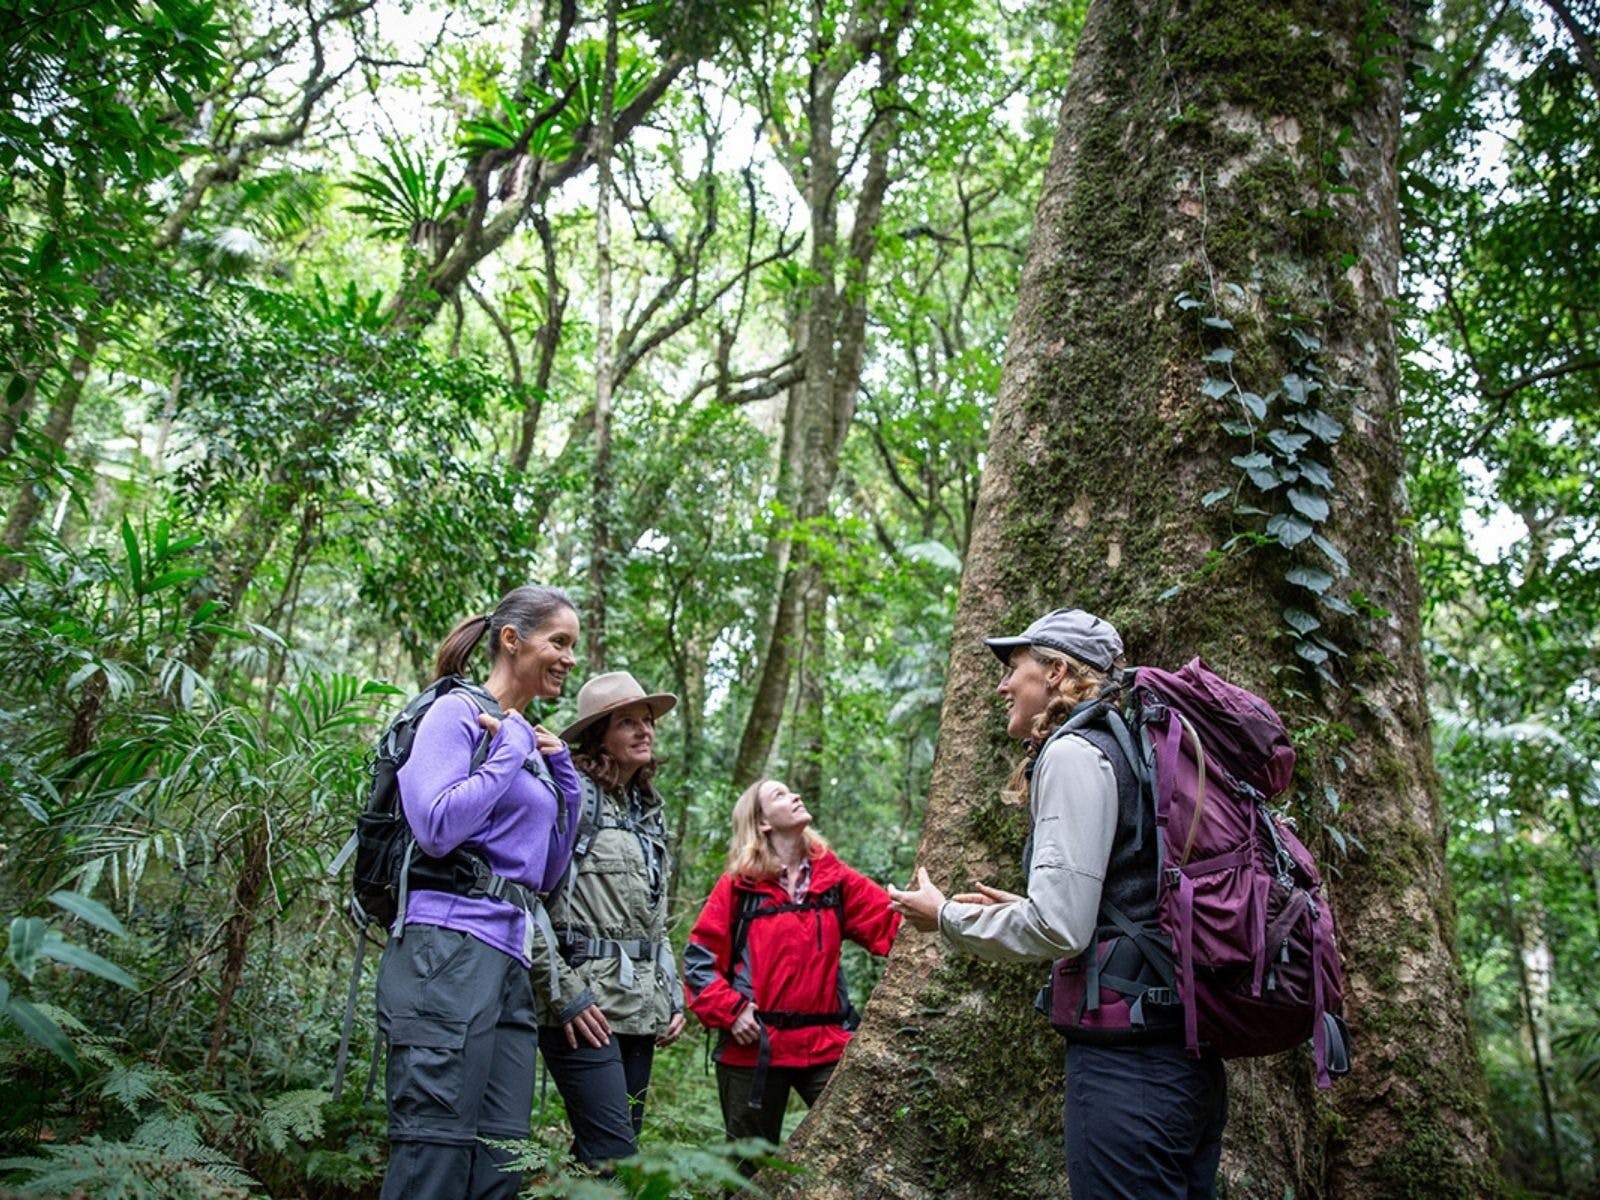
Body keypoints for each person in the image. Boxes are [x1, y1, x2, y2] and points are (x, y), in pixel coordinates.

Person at [887, 607, 1228, 1200]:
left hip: (1130, 1074)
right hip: (1185, 1063)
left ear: (1056, 672)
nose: (1000, 685)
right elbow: (1119, 897)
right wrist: (1028, 904)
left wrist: (944, 916)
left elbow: (1059, 928)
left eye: (1013, 666)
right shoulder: (1131, 750)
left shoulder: (1075, 754)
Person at [376, 585, 584, 1200]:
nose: (570, 657)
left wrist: (564, 782)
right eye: (559, 642)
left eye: (574, 645)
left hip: (511, 960)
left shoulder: (527, 741)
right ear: (512, 640)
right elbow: (436, 827)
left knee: (501, 1163)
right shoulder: (455, 713)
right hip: (445, 950)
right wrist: (509, 753)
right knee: (432, 1157)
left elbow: (543, 877)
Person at [684, 778, 901, 1162]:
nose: (795, 795)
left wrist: (950, 916)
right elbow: (700, 961)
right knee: (748, 1172)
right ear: (763, 822)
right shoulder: (738, 887)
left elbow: (892, 927)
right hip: (752, 1050)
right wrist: (731, 1012)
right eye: (779, 795)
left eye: (791, 791)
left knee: (853, 1154)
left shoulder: (835, 879)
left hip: (826, 1045)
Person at [531, 670, 686, 1165]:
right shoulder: (568, 796)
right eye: (628, 722)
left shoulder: (647, 810)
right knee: (614, 1154)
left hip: (639, 1008)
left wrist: (673, 992)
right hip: (582, 1007)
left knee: (608, 1156)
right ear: (599, 734)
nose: (645, 731)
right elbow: (523, 898)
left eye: (647, 721)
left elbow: (653, 918)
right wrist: (564, 994)